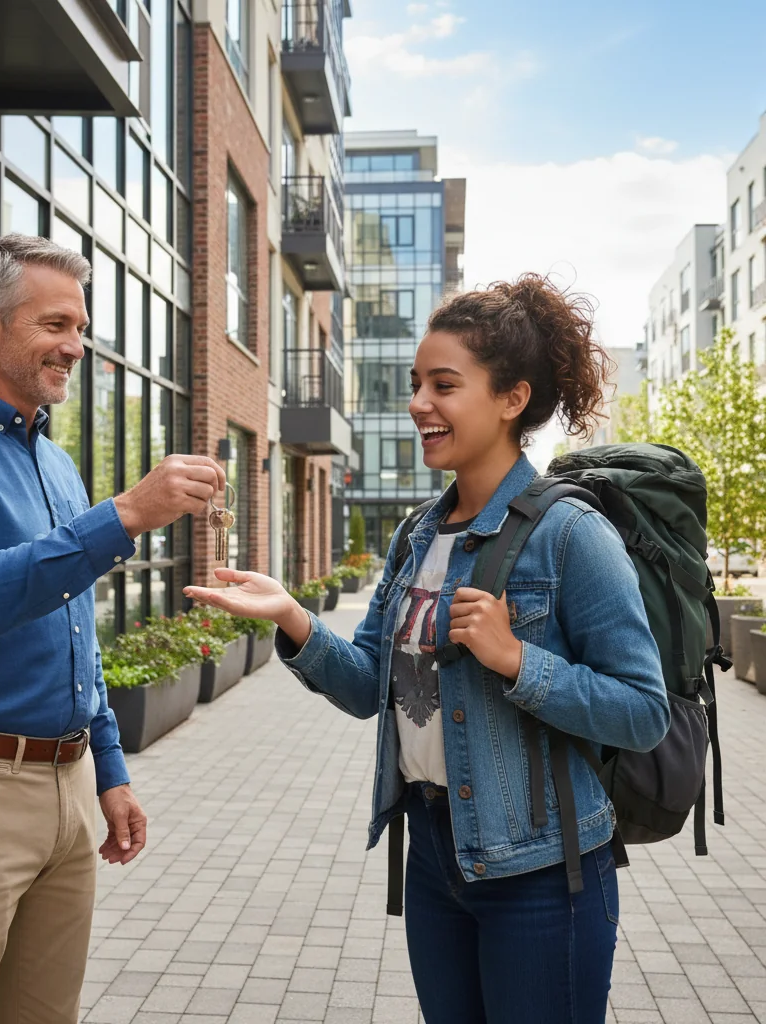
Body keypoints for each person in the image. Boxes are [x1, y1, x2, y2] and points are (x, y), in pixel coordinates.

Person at [184, 275, 670, 1024]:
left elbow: (642, 713)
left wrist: (517, 660)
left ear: (512, 398)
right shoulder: (418, 536)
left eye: (444, 385)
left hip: (542, 872)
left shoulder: (571, 534)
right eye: (417, 385)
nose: (418, 404)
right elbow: (366, 686)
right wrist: (292, 616)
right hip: (433, 856)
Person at [0, 234, 226, 1024]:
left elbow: (75, 635)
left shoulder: (55, 464)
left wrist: (108, 769)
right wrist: (129, 512)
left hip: (65, 790)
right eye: (56, 324)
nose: (76, 346)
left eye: (81, 326)